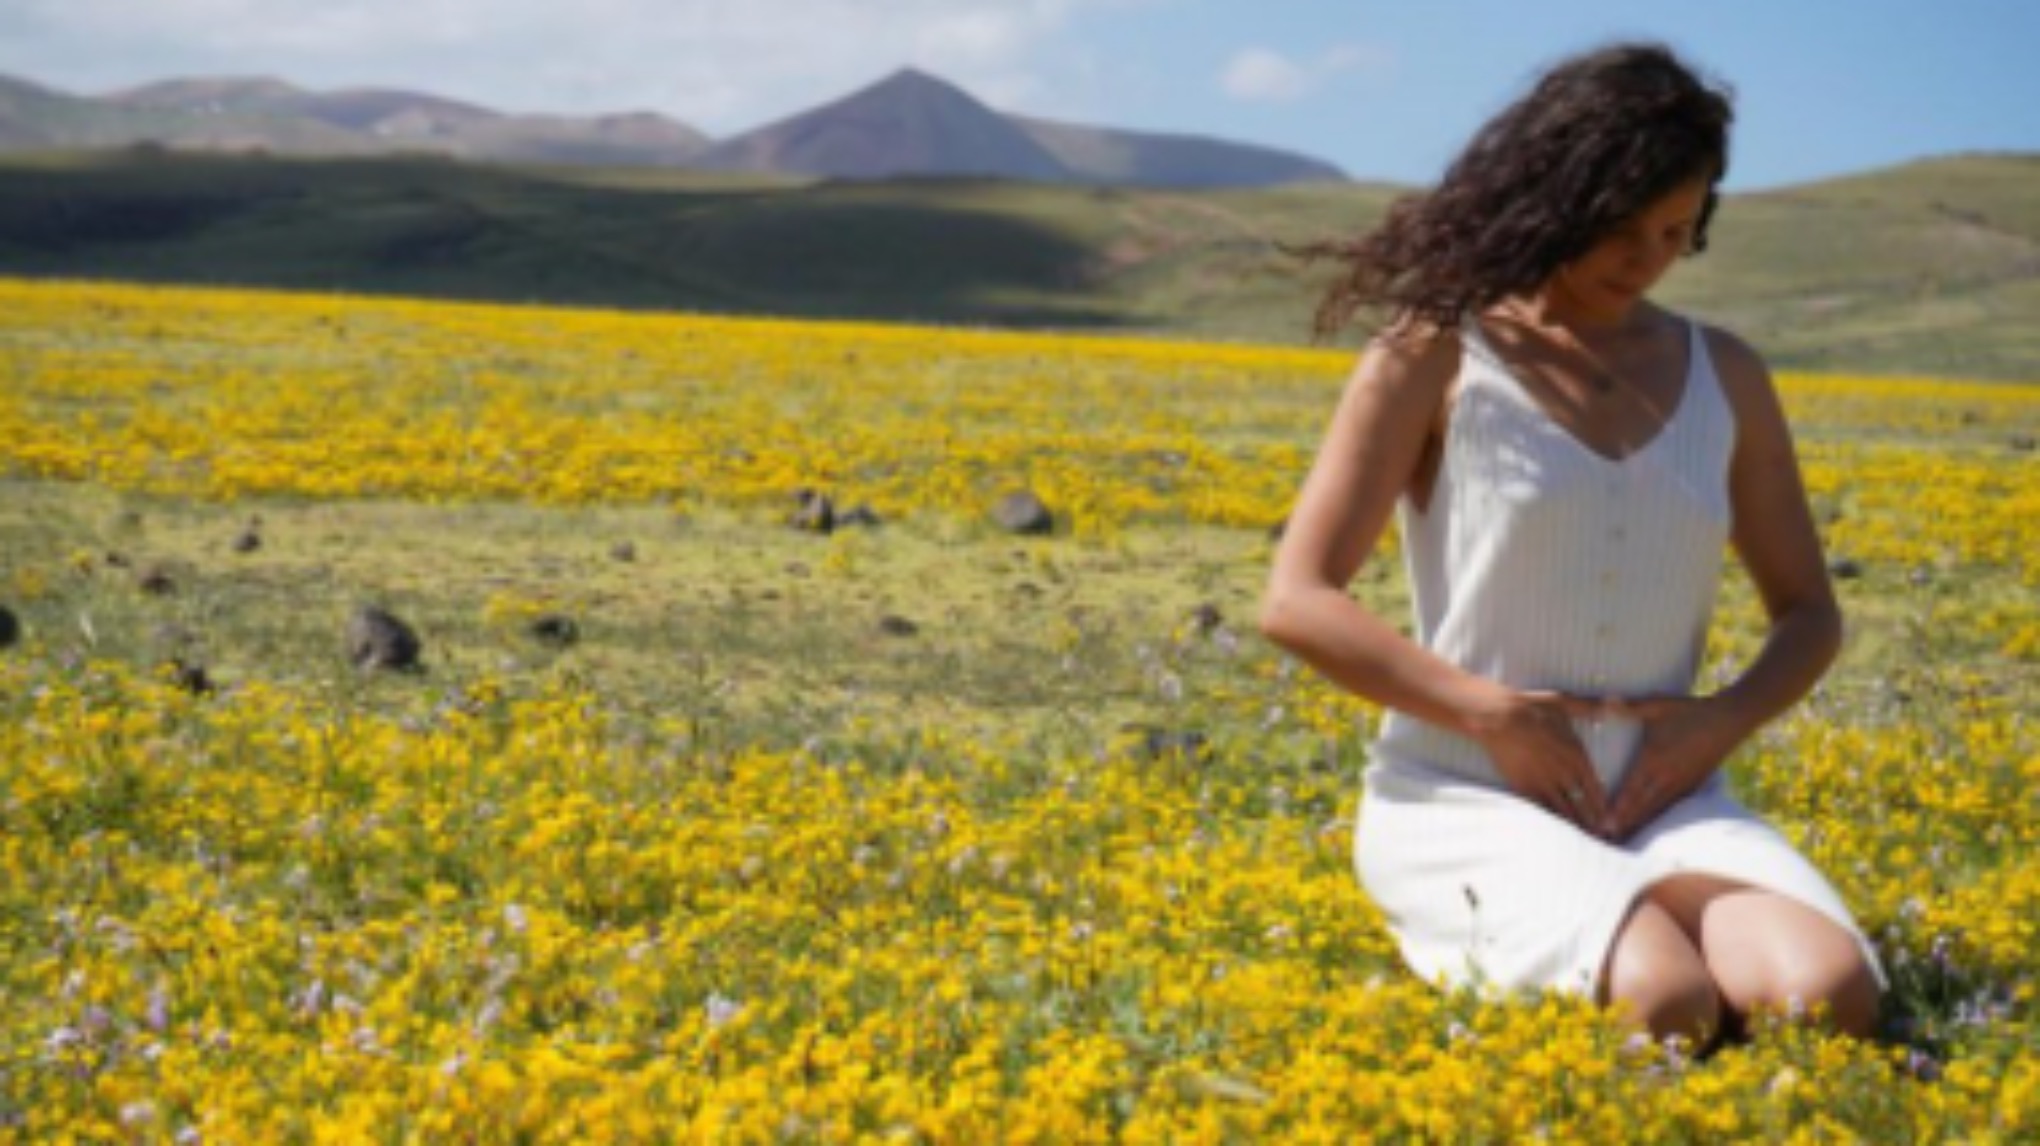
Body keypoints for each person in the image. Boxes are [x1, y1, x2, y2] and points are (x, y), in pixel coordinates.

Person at [1258, 42, 1883, 1049]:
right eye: (1618, 228)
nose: (1641, 261)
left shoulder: (1727, 374)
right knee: (1665, 1003)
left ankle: (1663, 918)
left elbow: (1809, 614)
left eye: (1675, 232)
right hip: (1462, 792)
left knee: (1828, 994)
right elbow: (1295, 599)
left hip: (1665, 792)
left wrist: (1716, 725)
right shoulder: (1433, 352)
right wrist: (1485, 712)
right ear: (1551, 198)